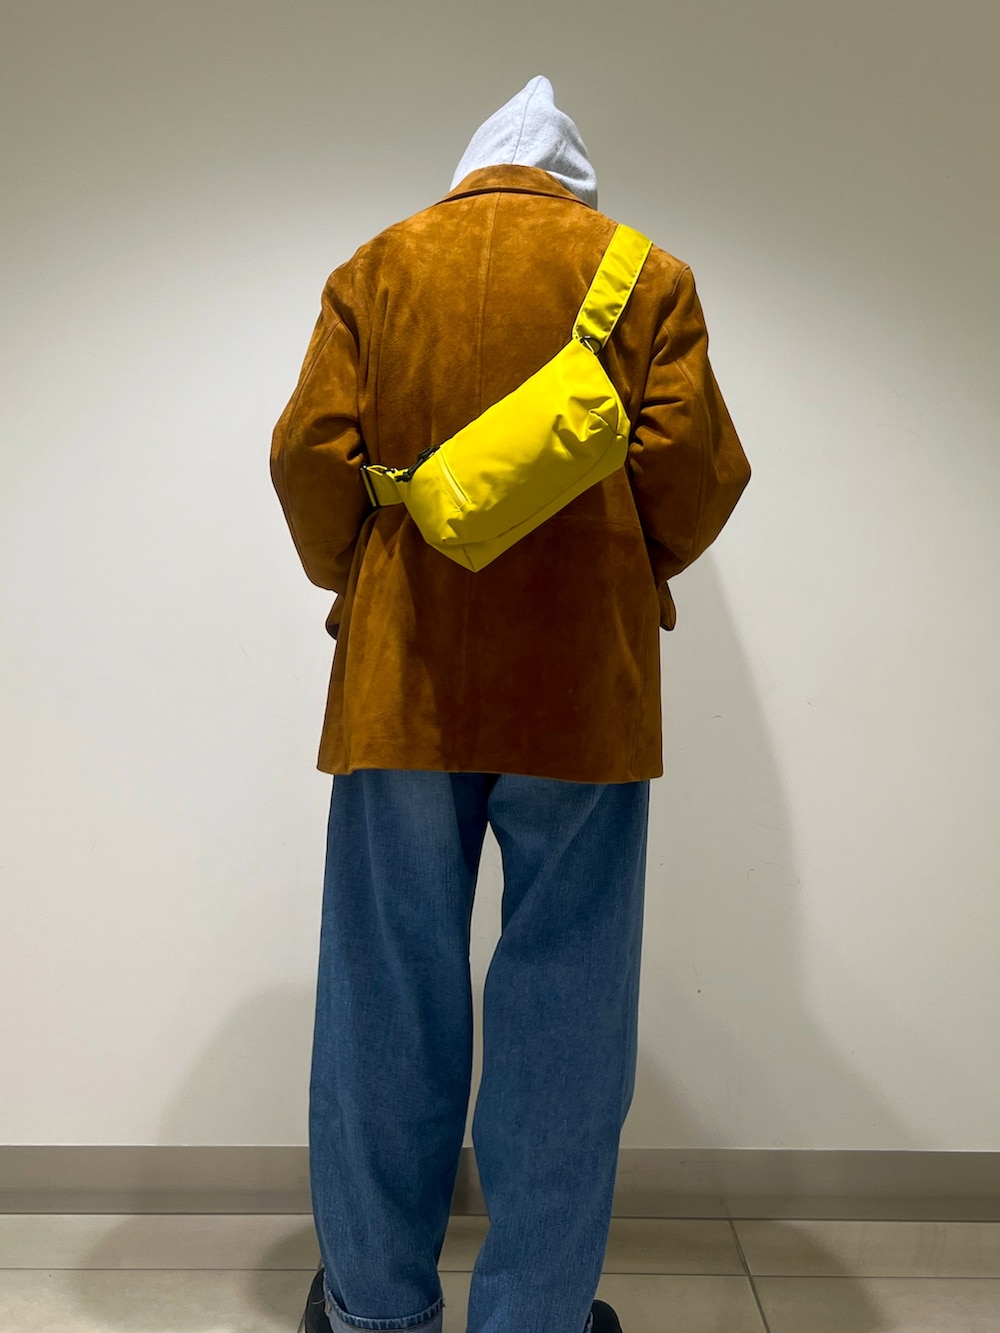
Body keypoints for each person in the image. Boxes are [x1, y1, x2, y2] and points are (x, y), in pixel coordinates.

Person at [271, 74, 750, 1333]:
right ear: (573, 185)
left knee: (387, 987)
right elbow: (696, 472)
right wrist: (626, 563)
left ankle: (376, 1311)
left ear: (470, 171)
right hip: (581, 690)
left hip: (402, 683)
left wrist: (364, 573)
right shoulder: (645, 275)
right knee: (568, 1004)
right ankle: (532, 1315)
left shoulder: (378, 268)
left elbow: (307, 456)